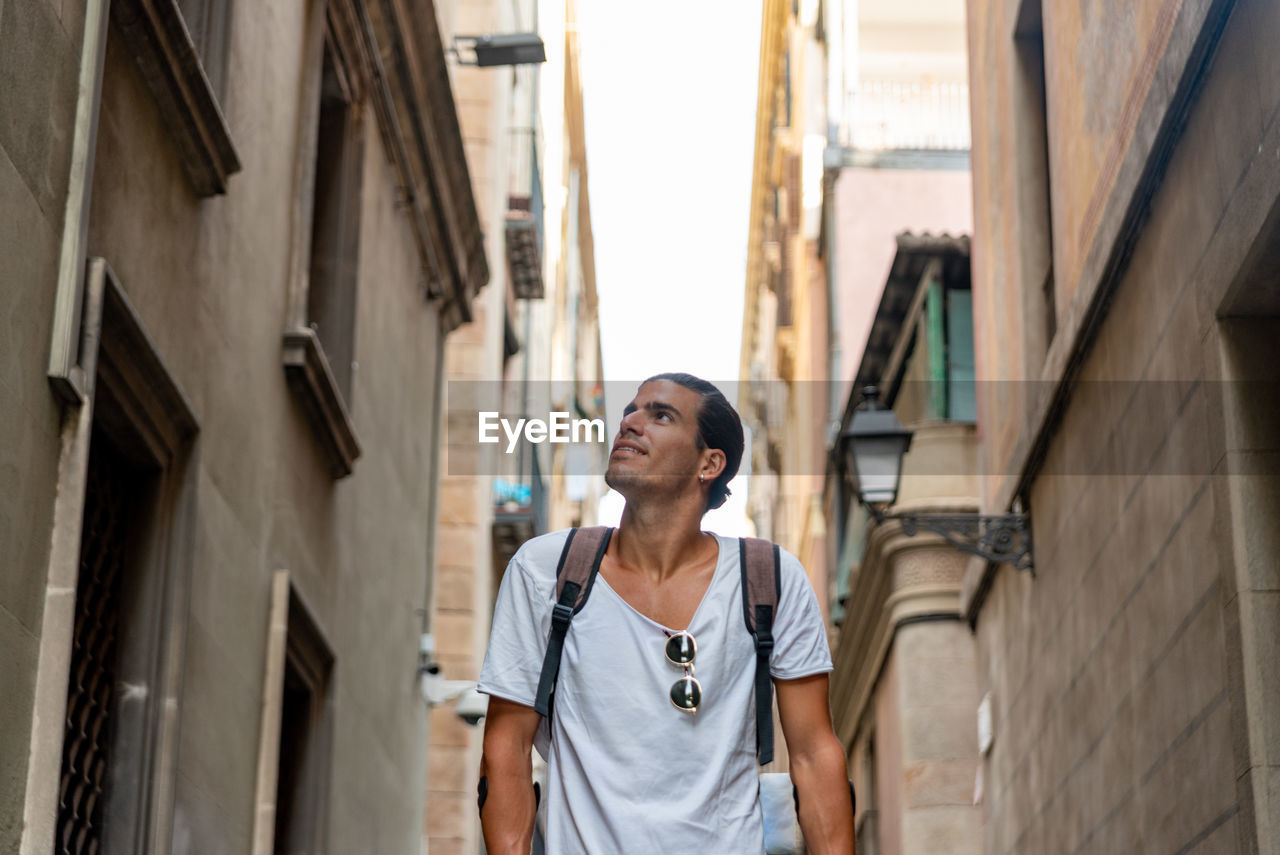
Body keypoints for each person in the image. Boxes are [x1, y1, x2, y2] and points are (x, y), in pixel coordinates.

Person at [477, 373, 855, 854]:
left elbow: (813, 754)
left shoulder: (770, 578)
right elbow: (505, 750)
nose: (630, 423)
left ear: (709, 462)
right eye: (630, 411)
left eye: (661, 415)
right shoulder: (545, 570)